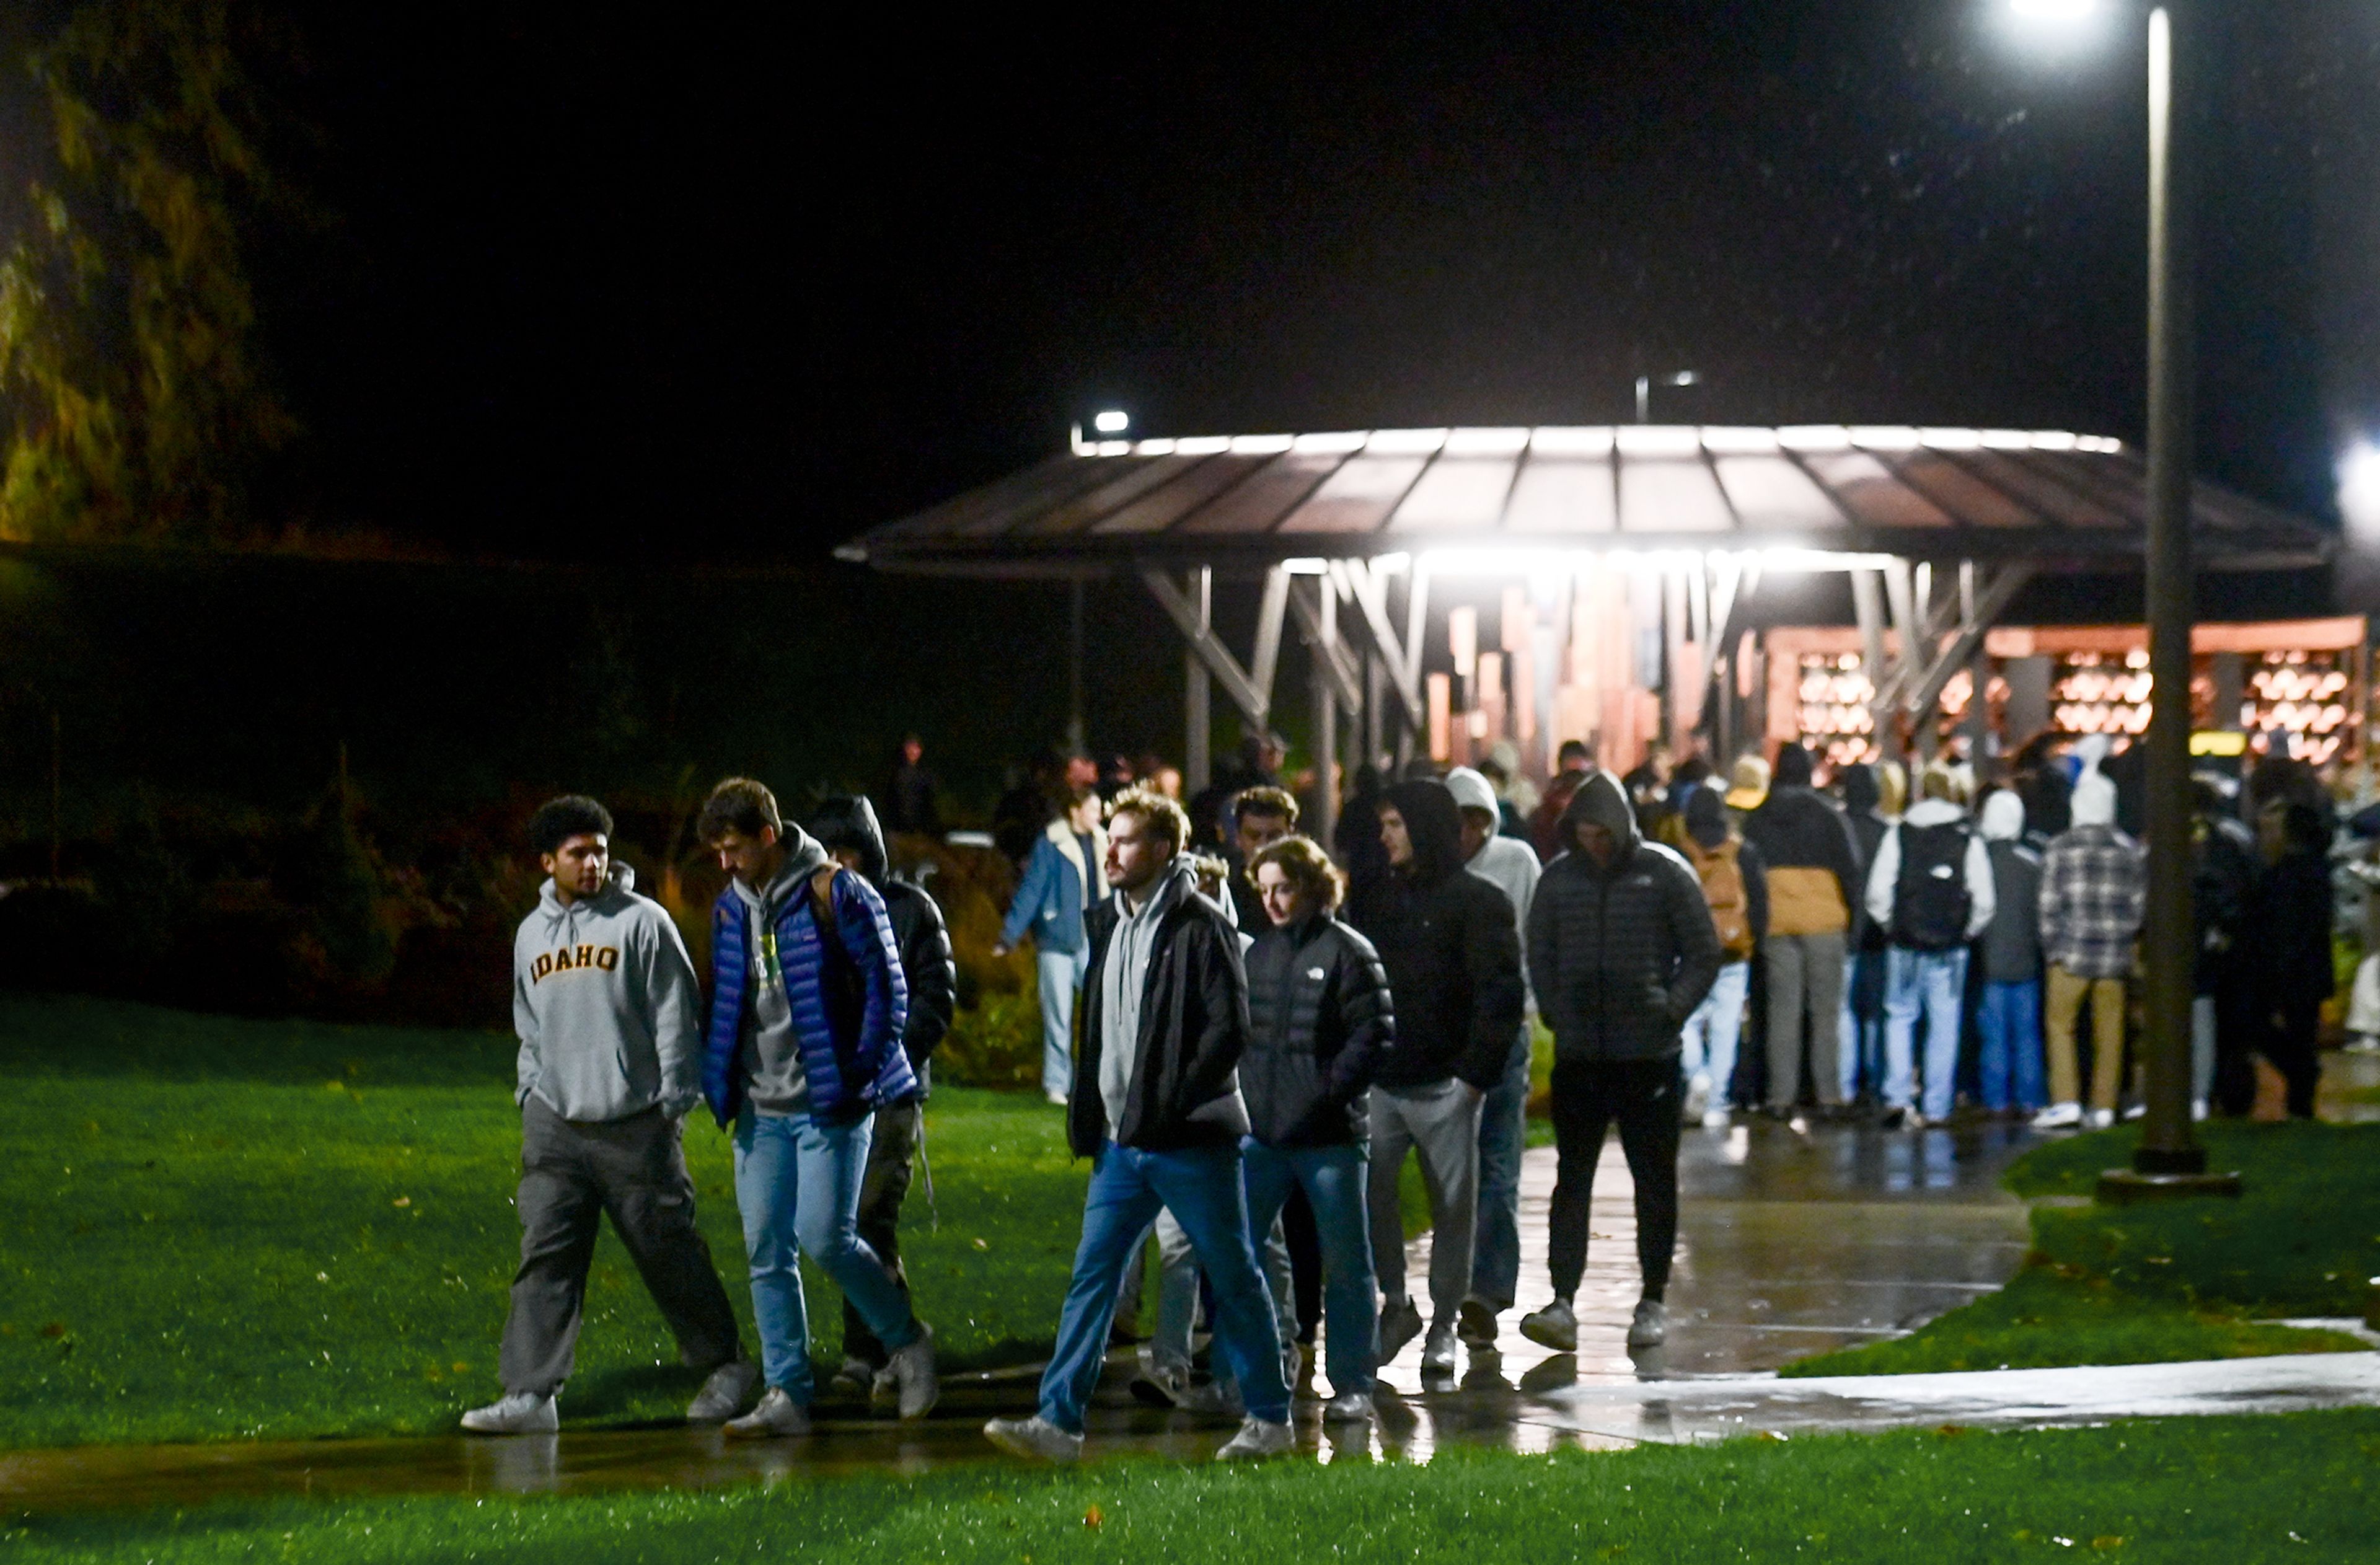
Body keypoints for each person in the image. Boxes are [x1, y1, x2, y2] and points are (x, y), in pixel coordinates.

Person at [982, 788, 1293, 1464]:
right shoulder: (1113, 924)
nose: (1111, 851)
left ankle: (1271, 1415)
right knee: (1092, 1275)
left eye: (1125, 840)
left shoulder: (1199, 923)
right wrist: (1096, 1116)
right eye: (1110, 838)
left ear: (1163, 849)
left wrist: (1174, 1101)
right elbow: (1103, 1031)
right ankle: (1058, 1421)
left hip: (1187, 1140)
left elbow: (1229, 1027)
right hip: (1123, 1145)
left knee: (1234, 1272)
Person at [463, 795, 754, 1435]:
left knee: (668, 1249)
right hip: (555, 1126)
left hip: (634, 1121)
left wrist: (675, 1099)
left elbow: (677, 1012)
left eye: (599, 849)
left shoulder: (642, 921)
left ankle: (726, 1364)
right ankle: (532, 1395)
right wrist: (530, 1091)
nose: (593, 862)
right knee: (545, 1255)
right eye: (578, 853)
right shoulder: (531, 933)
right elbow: (528, 1023)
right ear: (549, 861)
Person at [696, 778, 938, 1437]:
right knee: (766, 1249)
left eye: (735, 847)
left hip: (831, 1099)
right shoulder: (729, 908)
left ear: (768, 836)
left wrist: (858, 1072)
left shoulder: (837, 891)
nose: (726, 862)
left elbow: (890, 990)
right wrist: (714, 1077)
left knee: (826, 1237)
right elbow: (727, 1003)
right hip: (760, 1104)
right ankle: (787, 1392)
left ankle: (907, 1340)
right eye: (718, 850)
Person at [1520, 770, 1722, 1354]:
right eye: (1585, 834)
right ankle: (1563, 1298)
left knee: (1654, 1180)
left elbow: (1704, 952)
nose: (1595, 845)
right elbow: (1541, 949)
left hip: (1648, 1055)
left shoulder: (1664, 874)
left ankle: (1652, 1296)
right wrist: (1557, 1011)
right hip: (1583, 1053)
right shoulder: (1560, 881)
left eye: (1602, 834)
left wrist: (1670, 1010)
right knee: (1572, 1179)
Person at [1350, 778, 1525, 1377]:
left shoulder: (1480, 902)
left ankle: (1445, 1323)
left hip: (1445, 1087)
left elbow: (1500, 996)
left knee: (1455, 1209)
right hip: (1384, 1081)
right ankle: (1396, 1304)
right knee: (1371, 1198)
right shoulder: (1376, 898)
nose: (1385, 835)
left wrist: (1472, 1081)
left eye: (1396, 824)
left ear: (1423, 828)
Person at [1240, 834, 1395, 1422]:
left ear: (1312, 886)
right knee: (1241, 1252)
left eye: (1283, 887)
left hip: (1330, 1137)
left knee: (1348, 1261)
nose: (1273, 901)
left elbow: (1375, 1033)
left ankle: (1353, 1380)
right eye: (1265, 889)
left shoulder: (1348, 951)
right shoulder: (1260, 954)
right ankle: (1256, 1369)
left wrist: (1327, 1092)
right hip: (1264, 1135)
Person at [807, 795, 956, 1400]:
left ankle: (870, 1349)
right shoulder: (813, 913)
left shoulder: (910, 909)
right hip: (835, 1089)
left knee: (871, 1217)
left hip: (891, 1092)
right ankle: (881, 1343)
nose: (840, 864)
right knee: (843, 1225)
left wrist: (887, 1057)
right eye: (828, 852)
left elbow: (935, 996)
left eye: (850, 851)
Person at [1443, 765, 1543, 1347]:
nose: (1467, 833)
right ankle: (1449, 1291)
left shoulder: (1516, 862)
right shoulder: (1435, 870)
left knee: (1499, 1158)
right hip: (1450, 1030)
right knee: (1452, 1165)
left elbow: (1526, 938)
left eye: (1475, 821)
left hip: (1502, 1024)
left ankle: (1488, 1290)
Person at [1864, 765, 1994, 1130]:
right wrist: (1965, 932)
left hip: (1905, 943)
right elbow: (1984, 899)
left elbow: (1878, 892)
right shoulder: (1966, 837)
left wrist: (1893, 926)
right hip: (1950, 947)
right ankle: (1937, 1105)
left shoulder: (1900, 833)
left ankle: (1898, 1098)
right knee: (1944, 1021)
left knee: (1900, 1017)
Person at [1742, 744, 1861, 1119]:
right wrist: (1854, 924)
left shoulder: (1757, 818)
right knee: (1825, 1012)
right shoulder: (1829, 816)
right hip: (1824, 923)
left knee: (1783, 1012)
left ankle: (1781, 1098)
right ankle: (1828, 1096)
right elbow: (1851, 872)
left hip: (1778, 923)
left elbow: (1749, 876)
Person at [2032, 755, 2145, 1131]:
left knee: (2060, 1026)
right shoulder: (2128, 850)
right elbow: (2138, 905)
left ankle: (2066, 1101)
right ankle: (2104, 1105)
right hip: (2114, 955)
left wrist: (2054, 950)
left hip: (2071, 954)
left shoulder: (2061, 848)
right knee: (2110, 1032)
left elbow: (2049, 904)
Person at [994, 788, 1108, 1104]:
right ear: (1075, 811)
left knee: (1102, 1014)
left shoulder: (1103, 842)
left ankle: (1096, 1081)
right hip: (1057, 941)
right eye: (1093, 808)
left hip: (1091, 939)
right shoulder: (1051, 844)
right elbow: (1032, 889)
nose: (1099, 815)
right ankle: (1057, 1084)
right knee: (1058, 1018)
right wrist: (1009, 936)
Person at [1675, 786, 1766, 1129]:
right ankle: (1716, 1100)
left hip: (1690, 951)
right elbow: (1759, 901)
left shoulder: (1680, 852)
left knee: (1686, 1020)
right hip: (1732, 950)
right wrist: (1752, 939)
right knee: (1727, 1024)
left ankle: (1696, 1073)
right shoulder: (1742, 851)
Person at [2249, 800, 2332, 1118]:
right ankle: (2302, 1100)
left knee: (2263, 1030)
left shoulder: (2283, 875)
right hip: (2310, 970)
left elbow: (2282, 929)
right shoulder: (2316, 871)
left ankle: (2302, 1084)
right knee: (2301, 1036)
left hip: (2289, 970)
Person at [1973, 790, 2047, 1119]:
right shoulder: (2031, 865)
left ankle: (1995, 1099)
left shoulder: (1980, 861)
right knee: (2027, 1035)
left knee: (1994, 1037)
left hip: (1990, 963)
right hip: (2026, 962)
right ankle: (2030, 1098)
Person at [2194, 780, 2260, 1117]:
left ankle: (2209, 1093)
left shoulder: (2204, 843)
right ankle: (2228, 1093)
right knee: (2227, 1027)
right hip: (2230, 948)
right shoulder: (2235, 838)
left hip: (2206, 946)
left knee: (2204, 1017)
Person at [1835, 763, 1892, 1104]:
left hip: (1844, 930)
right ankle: (1876, 1079)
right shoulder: (1884, 831)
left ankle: (1845, 1083)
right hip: (1877, 932)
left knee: (1845, 1011)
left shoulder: (1835, 827)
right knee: (1875, 1011)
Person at [1228, 786, 1300, 932]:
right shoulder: (1226, 892)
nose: (1263, 846)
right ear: (1238, 838)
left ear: (1291, 835)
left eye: (1274, 836)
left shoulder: (1311, 890)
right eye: (1254, 836)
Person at [1531, 739, 1597, 862]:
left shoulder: (1599, 801)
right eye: (1571, 776)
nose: (1575, 783)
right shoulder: (1550, 805)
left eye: (1580, 776)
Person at [885, 735, 940, 837]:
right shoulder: (895, 772)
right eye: (910, 748)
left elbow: (929, 799)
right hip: (898, 823)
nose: (913, 751)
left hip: (919, 824)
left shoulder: (925, 773)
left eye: (916, 748)